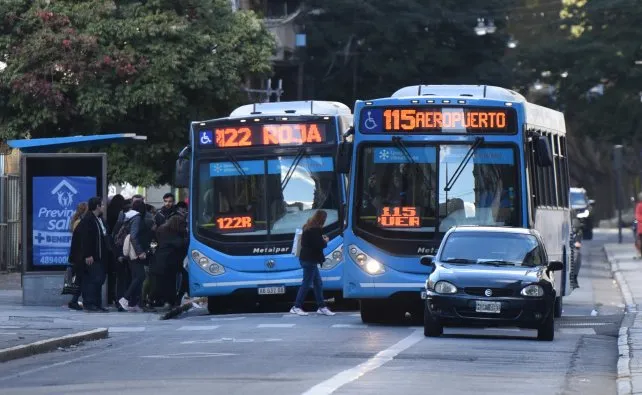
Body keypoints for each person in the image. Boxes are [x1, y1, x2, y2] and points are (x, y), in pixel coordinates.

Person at [290, 210, 335, 316]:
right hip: (309, 260)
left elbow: (311, 242)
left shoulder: (307, 226)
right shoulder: (315, 229)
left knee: (318, 283)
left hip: (307, 259)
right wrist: (325, 241)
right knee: (306, 283)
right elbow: (318, 244)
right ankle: (296, 306)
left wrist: (320, 239)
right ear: (321, 219)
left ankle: (322, 306)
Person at [118, 200, 154, 312]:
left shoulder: (128, 217)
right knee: (140, 276)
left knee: (136, 277)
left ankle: (133, 303)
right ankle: (125, 299)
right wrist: (140, 252)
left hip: (130, 251)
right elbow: (134, 236)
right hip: (135, 252)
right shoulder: (137, 218)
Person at [76, 197, 109, 312]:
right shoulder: (88, 220)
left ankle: (97, 303)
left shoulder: (98, 219)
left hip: (100, 255)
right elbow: (85, 239)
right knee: (92, 280)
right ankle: (89, 303)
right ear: (97, 206)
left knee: (99, 279)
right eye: (102, 205)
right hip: (92, 256)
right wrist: (88, 254)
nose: (104, 207)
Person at [67, 202, 88, 311]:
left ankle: (75, 300)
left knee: (79, 279)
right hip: (79, 255)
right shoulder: (80, 222)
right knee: (80, 279)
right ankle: (75, 300)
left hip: (76, 254)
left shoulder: (75, 221)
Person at [636, 192, 642, 257]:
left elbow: (638, 216)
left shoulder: (638, 205)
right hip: (641, 226)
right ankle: (640, 252)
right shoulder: (639, 205)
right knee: (640, 239)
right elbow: (638, 216)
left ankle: (639, 253)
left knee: (639, 239)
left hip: (640, 226)